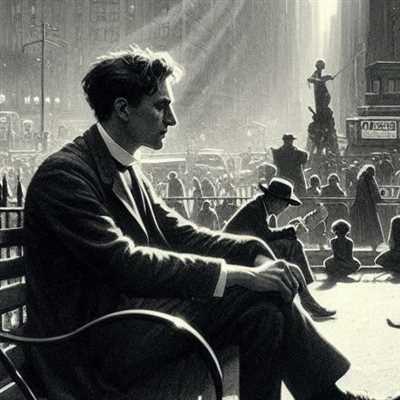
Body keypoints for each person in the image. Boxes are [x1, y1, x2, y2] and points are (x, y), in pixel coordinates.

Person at [23, 46, 398, 400]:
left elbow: (180, 234)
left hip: (125, 329)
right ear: (122, 108)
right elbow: (126, 263)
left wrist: (252, 252)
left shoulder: (119, 166)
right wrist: (240, 276)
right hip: (88, 352)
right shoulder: (65, 175)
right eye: (161, 106)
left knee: (264, 312)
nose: (172, 118)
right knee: (258, 296)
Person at [224, 177, 335, 318]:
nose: (286, 208)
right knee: (293, 245)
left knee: (292, 245)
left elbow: (265, 235)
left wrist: (290, 230)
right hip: (236, 256)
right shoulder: (255, 209)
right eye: (286, 204)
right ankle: (306, 299)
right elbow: (265, 235)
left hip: (244, 251)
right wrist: (291, 230)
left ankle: (304, 297)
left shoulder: (258, 206)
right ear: (276, 201)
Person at [350, 164, 384, 251]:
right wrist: (379, 197)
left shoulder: (362, 179)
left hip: (364, 206)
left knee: (366, 225)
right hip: (368, 206)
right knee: (371, 225)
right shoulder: (368, 179)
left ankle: (371, 243)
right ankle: (373, 243)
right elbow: (373, 192)